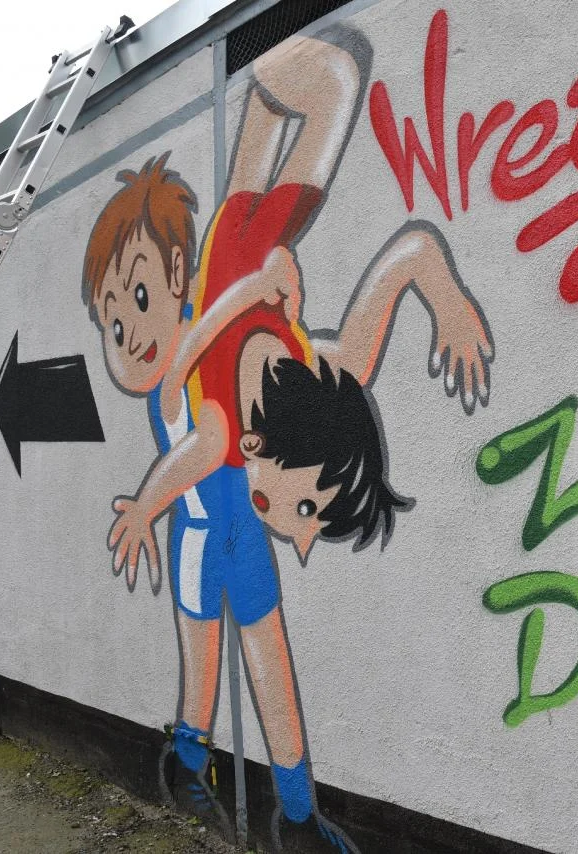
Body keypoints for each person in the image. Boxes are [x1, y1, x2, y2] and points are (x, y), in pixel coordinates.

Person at [83, 23, 492, 854]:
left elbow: (199, 359)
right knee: (216, 649)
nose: (302, 534)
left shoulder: (271, 400)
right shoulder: (305, 378)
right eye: (308, 508)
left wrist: (246, 305)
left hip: (243, 244)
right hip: (252, 244)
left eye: (304, 516)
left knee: (247, 649)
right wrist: (442, 300)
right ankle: (210, 767)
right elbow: (409, 256)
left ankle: (272, 798)